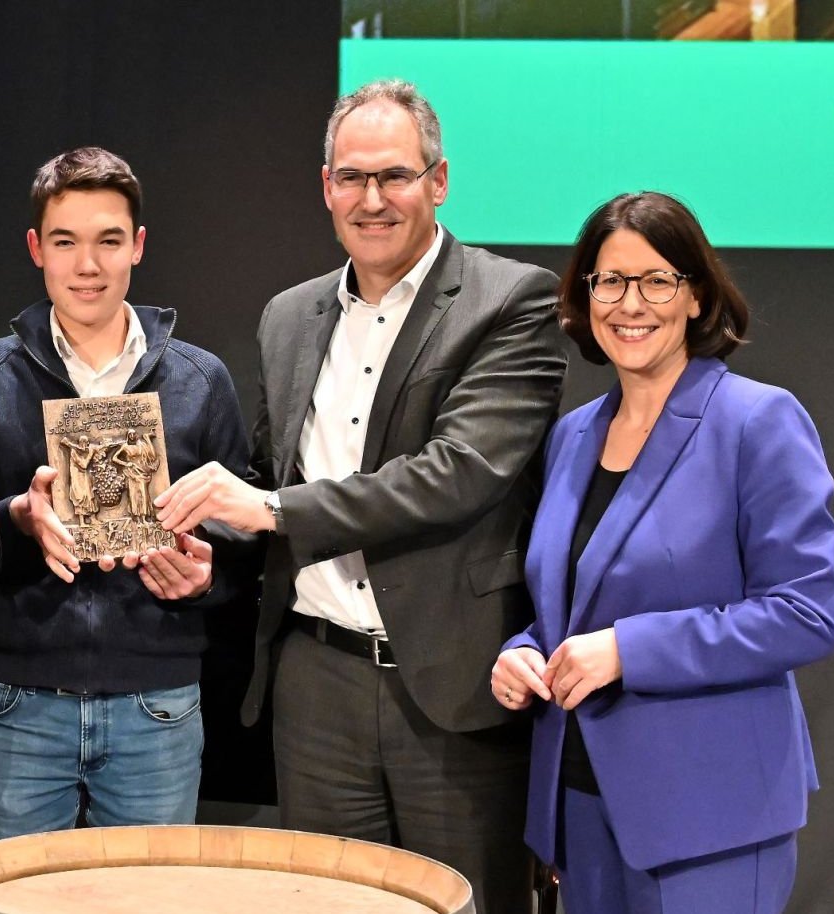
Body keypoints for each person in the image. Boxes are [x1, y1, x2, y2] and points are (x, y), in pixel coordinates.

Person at [155, 80, 568, 913]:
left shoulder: (512, 300)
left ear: (439, 180)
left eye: (395, 177)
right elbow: (273, 477)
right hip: (317, 686)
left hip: (451, 689)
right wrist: (207, 556)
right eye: (352, 178)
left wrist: (268, 510)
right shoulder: (288, 315)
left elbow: (458, 472)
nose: (372, 200)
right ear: (325, 186)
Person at [490, 191, 834, 914]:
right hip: (580, 804)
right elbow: (573, 602)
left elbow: (807, 612)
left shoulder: (757, 421)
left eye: (657, 280)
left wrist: (628, 650)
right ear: (584, 297)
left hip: (711, 818)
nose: (631, 303)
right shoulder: (573, 437)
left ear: (697, 297)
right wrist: (524, 651)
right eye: (610, 281)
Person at [0, 146, 243, 844]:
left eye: (109, 240)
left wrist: (204, 577)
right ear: (35, 249)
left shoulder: (201, 380)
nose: (88, 264)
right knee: (10, 900)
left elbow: (246, 537)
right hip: (16, 704)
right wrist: (13, 520)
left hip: (158, 705)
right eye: (66, 242)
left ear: (137, 246)